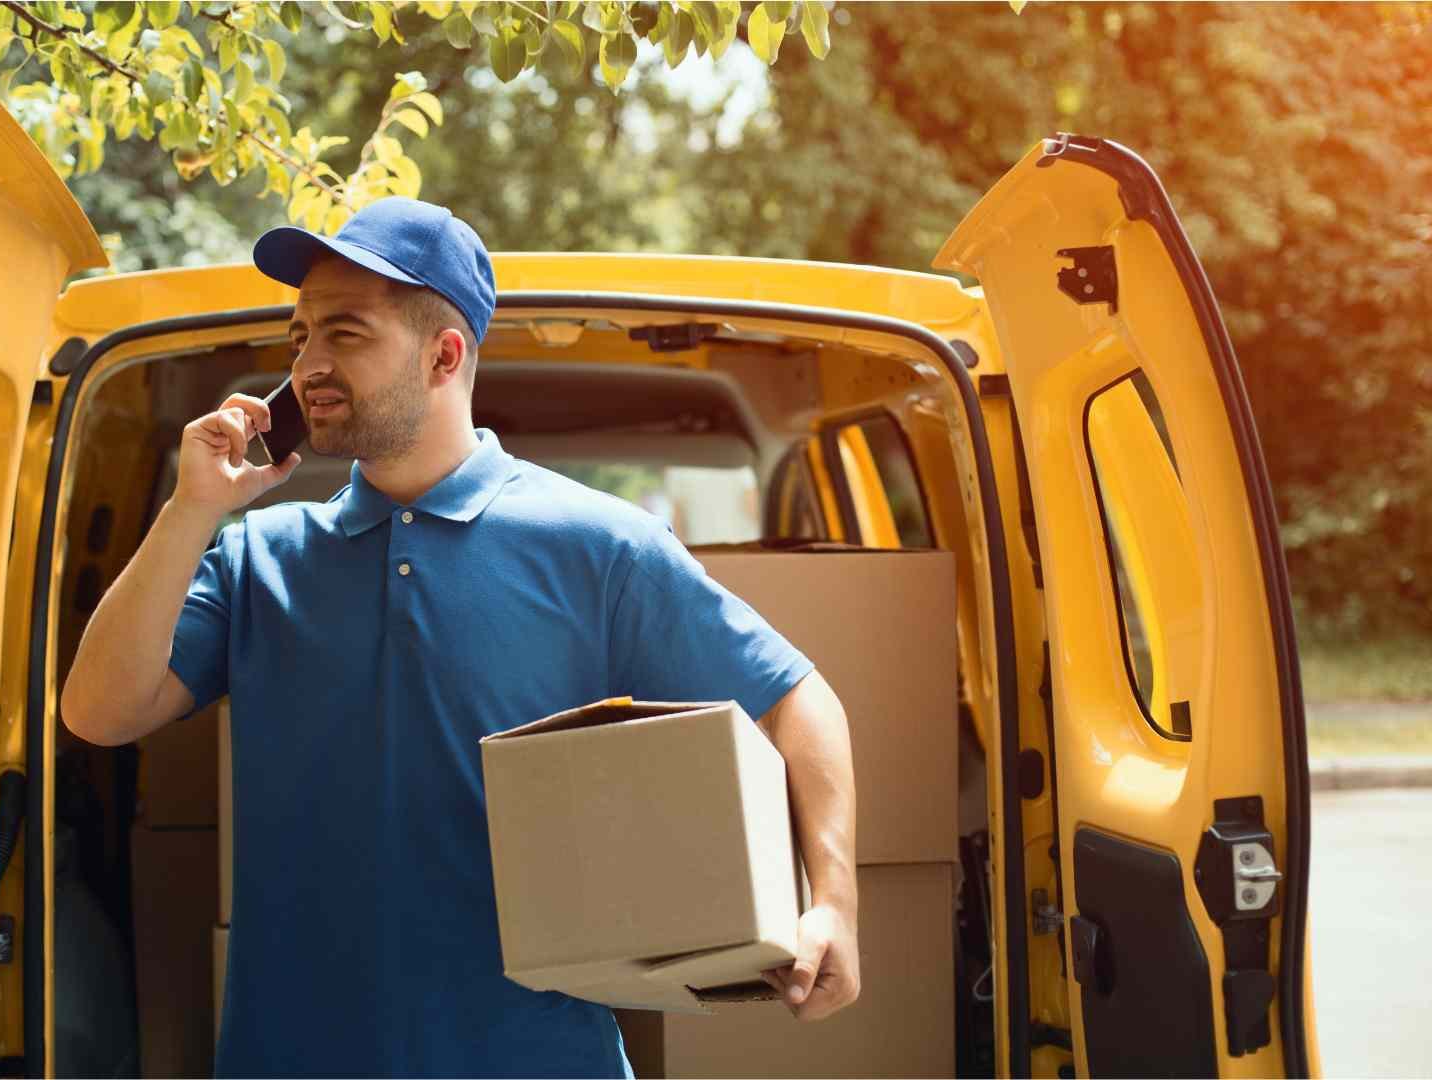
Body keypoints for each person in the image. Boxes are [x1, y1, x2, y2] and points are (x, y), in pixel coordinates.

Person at [61, 197, 860, 1078]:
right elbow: (99, 712)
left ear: (445, 355)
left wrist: (833, 906)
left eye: (346, 334)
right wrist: (190, 511)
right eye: (298, 339)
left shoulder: (596, 545)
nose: (308, 365)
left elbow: (796, 698)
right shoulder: (260, 554)